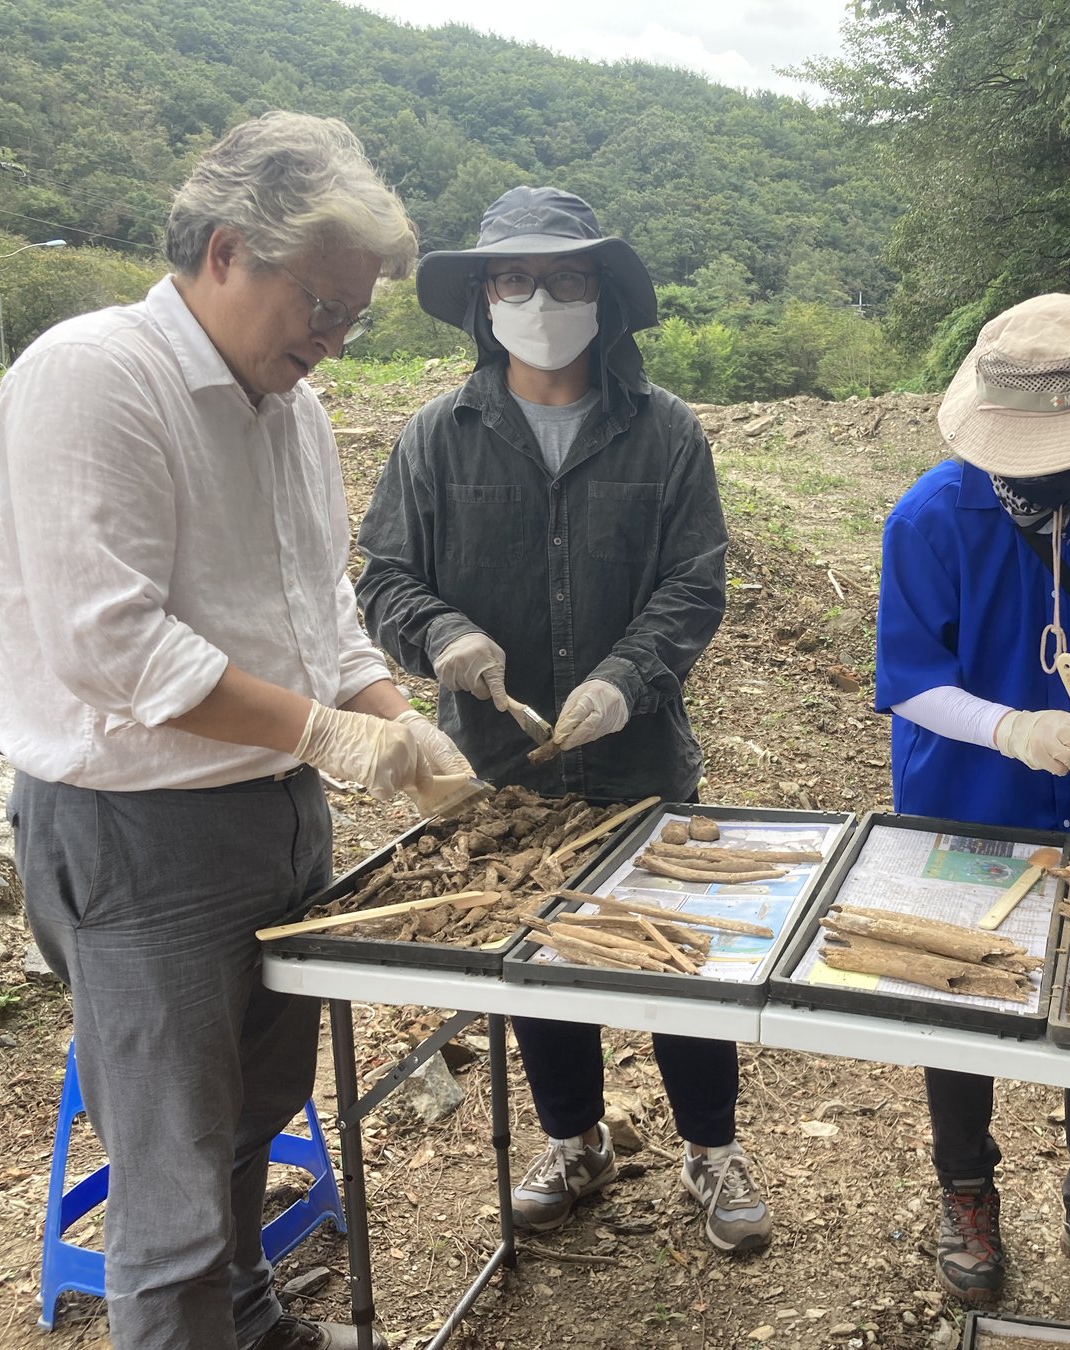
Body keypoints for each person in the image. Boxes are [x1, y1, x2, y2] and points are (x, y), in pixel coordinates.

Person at [0, 113, 468, 1350]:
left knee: (257, 1117)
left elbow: (323, 616)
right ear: (221, 250)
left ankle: (250, 1324)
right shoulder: (95, 375)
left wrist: (396, 723)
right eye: (319, 302)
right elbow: (114, 644)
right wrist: (327, 732)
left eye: (353, 316)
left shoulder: (289, 408)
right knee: (176, 1195)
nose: (333, 337)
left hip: (275, 812)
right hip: (138, 833)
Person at [353, 186, 768, 1253]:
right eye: (514, 279)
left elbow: (695, 581)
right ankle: (574, 1140)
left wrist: (627, 676)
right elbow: (385, 576)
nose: (540, 299)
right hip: (498, 762)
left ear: (604, 296)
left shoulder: (666, 432)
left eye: (567, 278)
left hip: (639, 750)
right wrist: (440, 634)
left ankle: (710, 1152)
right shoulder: (435, 440)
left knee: (676, 953)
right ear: (483, 299)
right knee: (537, 953)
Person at [875, 293, 1070, 1311]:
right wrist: (1014, 728)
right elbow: (912, 674)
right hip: (963, 790)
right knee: (956, 992)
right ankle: (966, 1188)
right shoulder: (930, 517)